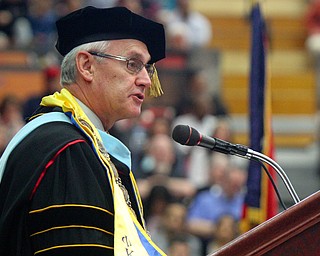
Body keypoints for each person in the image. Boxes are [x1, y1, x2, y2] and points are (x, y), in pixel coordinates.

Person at [0, 6, 166, 256]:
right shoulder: (67, 153)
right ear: (87, 66)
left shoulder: (61, 142)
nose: (146, 80)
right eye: (133, 64)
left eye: (147, 68)